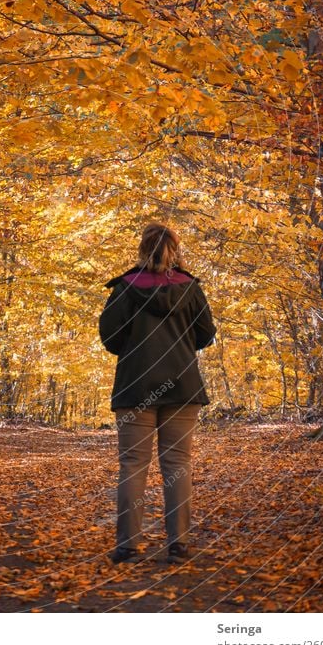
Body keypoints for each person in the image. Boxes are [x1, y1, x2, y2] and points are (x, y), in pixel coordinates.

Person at [98, 222, 216, 565]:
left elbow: (110, 339)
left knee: (133, 465)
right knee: (177, 463)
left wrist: (136, 347)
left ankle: (127, 547)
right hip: (182, 385)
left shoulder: (124, 288)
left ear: (142, 249)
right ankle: (178, 545)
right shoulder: (190, 288)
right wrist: (179, 344)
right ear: (174, 250)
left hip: (135, 387)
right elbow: (205, 334)